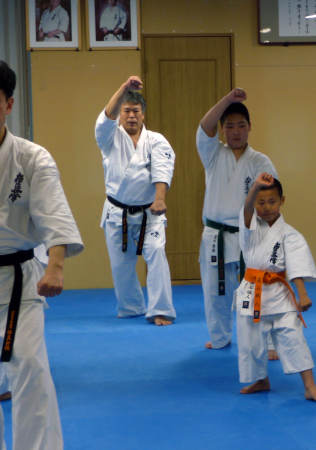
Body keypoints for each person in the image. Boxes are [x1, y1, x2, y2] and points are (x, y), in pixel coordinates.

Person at [0, 60, 84, 449]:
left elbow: (54, 213)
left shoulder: (32, 158)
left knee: (30, 368)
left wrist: (56, 265)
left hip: (18, 283)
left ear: (9, 104)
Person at [235, 173, 316, 403]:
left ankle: (310, 387)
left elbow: (297, 265)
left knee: (294, 338)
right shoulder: (250, 226)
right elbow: (247, 208)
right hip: (252, 293)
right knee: (251, 344)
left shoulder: (290, 234)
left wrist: (303, 295)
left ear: (282, 201)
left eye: (272, 202)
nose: (267, 207)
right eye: (260, 202)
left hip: (280, 294)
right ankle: (261, 380)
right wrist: (256, 186)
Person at [197, 88, 278, 353]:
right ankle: (220, 337)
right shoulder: (212, 154)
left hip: (250, 234)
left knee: (258, 290)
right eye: (229, 126)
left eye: (241, 126)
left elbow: (270, 202)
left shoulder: (260, 160)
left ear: (250, 127)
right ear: (221, 129)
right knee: (215, 292)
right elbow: (204, 125)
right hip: (216, 236)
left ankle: (267, 341)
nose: (235, 132)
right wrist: (228, 100)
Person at [95, 76, 176, 326]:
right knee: (121, 266)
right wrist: (124, 88)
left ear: (143, 114)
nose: (131, 116)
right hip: (116, 212)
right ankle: (132, 307)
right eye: (126, 111)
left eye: (136, 111)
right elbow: (105, 117)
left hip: (150, 213)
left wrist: (160, 199)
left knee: (157, 254)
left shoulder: (157, 140)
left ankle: (160, 309)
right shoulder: (109, 137)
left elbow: (162, 169)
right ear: (119, 115)